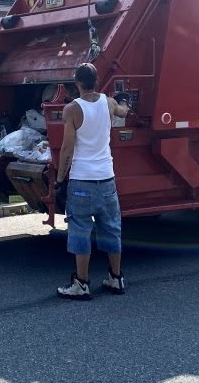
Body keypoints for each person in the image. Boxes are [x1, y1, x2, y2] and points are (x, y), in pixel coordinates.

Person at [56, 62, 130, 300]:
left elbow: (67, 149)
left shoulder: (72, 109)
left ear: (77, 82)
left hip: (82, 180)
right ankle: (116, 278)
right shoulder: (108, 103)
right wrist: (125, 99)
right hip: (107, 179)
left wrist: (59, 180)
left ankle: (82, 284)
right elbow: (123, 111)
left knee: (80, 229)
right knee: (111, 227)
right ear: (96, 80)